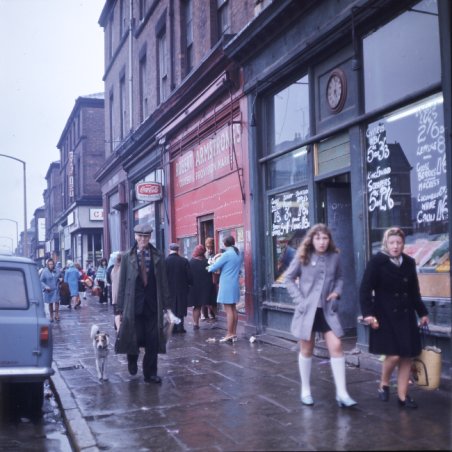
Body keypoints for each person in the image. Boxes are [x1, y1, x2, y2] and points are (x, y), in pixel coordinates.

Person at [284, 223, 356, 408]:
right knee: (307, 349)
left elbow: (340, 277)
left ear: (329, 240)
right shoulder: (303, 256)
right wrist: (300, 301)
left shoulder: (335, 257)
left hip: (327, 310)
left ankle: (342, 393)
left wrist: (337, 292)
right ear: (312, 239)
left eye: (325, 238)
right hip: (307, 311)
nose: (322, 242)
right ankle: (305, 390)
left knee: (337, 345)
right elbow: (288, 278)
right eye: (318, 238)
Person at [360, 226, 429, 409]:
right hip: (385, 315)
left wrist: (422, 312)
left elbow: (414, 291)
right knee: (394, 355)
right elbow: (365, 289)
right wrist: (368, 314)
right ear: (386, 243)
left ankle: (403, 396)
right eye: (392, 242)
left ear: (403, 244)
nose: (396, 246)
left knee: (406, 356)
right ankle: (384, 382)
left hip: (406, 316)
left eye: (399, 242)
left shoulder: (409, 262)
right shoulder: (377, 262)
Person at [115, 223, 173, 384]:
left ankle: (150, 373)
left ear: (149, 237)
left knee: (152, 340)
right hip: (133, 305)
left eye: (146, 236)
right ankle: (132, 359)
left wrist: (168, 308)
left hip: (153, 305)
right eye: (140, 236)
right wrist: (119, 309)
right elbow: (122, 284)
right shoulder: (127, 257)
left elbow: (163, 283)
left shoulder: (158, 256)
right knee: (135, 337)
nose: (143, 239)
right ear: (135, 236)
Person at [207, 235, 243, 343]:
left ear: (225, 244)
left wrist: (209, 264)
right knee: (233, 309)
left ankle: (229, 334)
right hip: (235, 283)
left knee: (228, 310)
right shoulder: (237, 254)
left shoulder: (226, 254)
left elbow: (213, 268)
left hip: (226, 283)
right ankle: (234, 333)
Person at [165, 243, 193, 333]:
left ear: (170, 250)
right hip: (182, 288)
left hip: (169, 289)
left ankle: (172, 328)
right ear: (178, 250)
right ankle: (180, 327)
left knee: (171, 307)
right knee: (180, 307)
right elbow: (189, 276)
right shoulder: (184, 261)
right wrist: (189, 284)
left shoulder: (165, 261)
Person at [188, 244, 217, 330]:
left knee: (197, 306)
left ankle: (195, 324)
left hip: (195, 288)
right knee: (211, 303)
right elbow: (212, 272)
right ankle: (216, 319)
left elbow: (188, 276)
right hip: (207, 287)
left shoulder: (190, 263)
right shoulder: (207, 262)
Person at [202, 237, 217, 321]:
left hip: (213, 277)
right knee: (206, 296)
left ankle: (211, 313)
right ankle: (206, 314)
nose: (210, 249)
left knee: (211, 296)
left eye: (211, 247)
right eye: (208, 247)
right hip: (207, 277)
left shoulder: (215, 254)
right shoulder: (204, 255)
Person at [110, 252, 123, 331]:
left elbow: (111, 280)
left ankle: (117, 327)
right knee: (122, 312)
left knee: (116, 312)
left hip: (114, 294)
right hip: (121, 293)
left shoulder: (113, 269)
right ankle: (119, 328)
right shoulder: (123, 269)